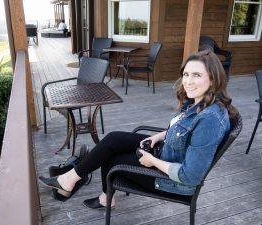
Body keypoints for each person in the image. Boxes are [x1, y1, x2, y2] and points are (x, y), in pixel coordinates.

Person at [39, 50, 236, 209]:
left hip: (171, 182)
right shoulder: (199, 101)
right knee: (114, 139)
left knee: (111, 158)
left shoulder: (209, 120)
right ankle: (72, 181)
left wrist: (152, 161)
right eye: (186, 74)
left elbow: (189, 176)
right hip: (168, 151)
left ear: (213, 79)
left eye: (197, 75)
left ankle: (91, 192)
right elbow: (183, 132)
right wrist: (158, 137)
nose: (188, 81)